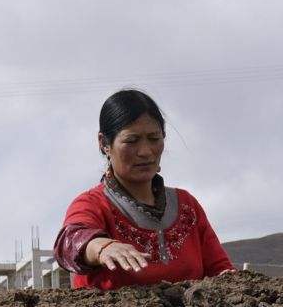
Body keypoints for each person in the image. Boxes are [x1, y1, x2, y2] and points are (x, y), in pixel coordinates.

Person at [54, 89, 236, 290]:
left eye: (154, 139)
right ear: (104, 143)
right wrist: (101, 247)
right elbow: (69, 242)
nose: (145, 152)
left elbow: (220, 272)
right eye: (131, 141)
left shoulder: (187, 206)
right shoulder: (92, 204)